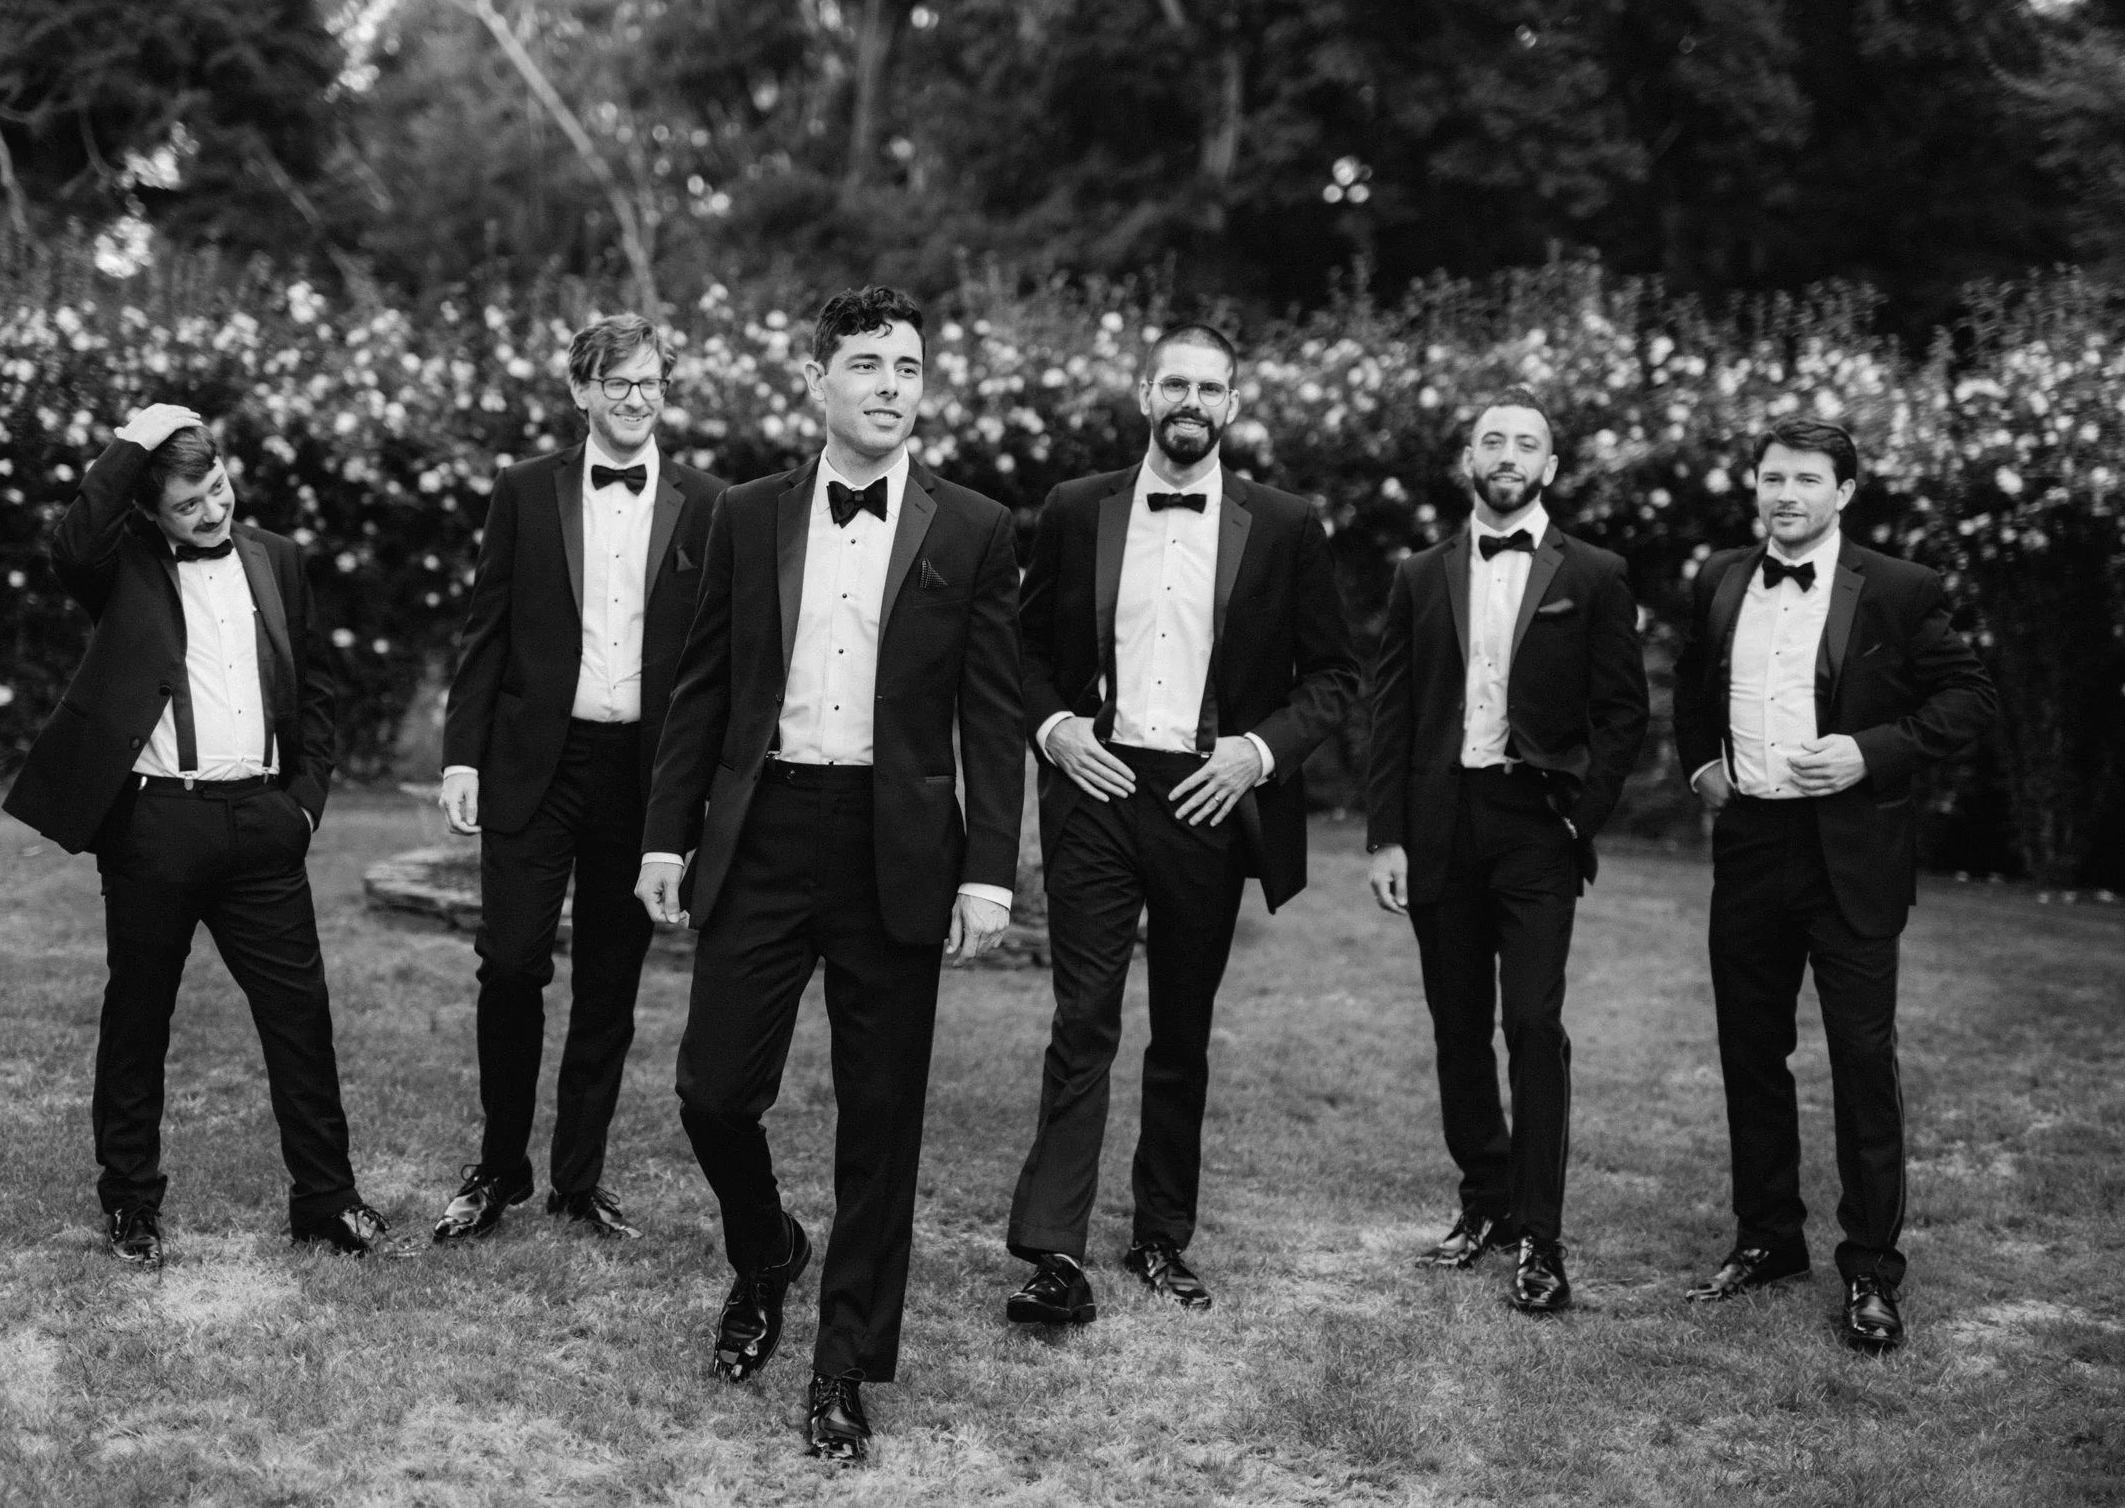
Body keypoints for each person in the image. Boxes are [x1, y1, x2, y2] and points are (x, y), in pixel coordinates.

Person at [633, 286, 1024, 1464]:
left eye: (908, 365)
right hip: (762, 830)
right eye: (866, 362)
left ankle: (842, 1362)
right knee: (709, 1088)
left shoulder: (974, 526)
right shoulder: (746, 514)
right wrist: (665, 834)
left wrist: (990, 871)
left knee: (881, 1119)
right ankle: (765, 1248)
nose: (892, 384)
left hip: (895, 847)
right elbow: (701, 683)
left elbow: (992, 714)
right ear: (817, 379)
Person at [1001, 323, 1361, 1327]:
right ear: (1143, 393)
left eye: (1211, 386)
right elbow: (1021, 652)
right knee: (1083, 1017)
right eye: (1175, 384)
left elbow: (1334, 676)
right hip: (1098, 782)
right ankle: (1055, 1251)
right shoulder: (1077, 508)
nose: (1191, 400)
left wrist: (1255, 753)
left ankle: (1160, 1231)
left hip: (1209, 794)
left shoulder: (1285, 525)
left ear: (1233, 405)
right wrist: (1055, 726)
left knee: (1181, 1029)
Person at [5, 403, 392, 1263]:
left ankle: (326, 1200)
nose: (212, 511)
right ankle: (131, 1203)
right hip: (156, 823)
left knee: (302, 1017)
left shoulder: (278, 558)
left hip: (264, 823)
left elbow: (316, 688)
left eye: (217, 490)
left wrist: (303, 804)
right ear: (152, 511)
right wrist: (136, 439)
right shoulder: (122, 566)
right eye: (189, 505)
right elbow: (70, 542)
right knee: (139, 1016)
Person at [1672, 416, 1995, 1350]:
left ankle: (1871, 1271)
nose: (1786, 495)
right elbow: (1695, 680)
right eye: (1773, 477)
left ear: (1844, 492)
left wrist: (1869, 751)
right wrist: (1701, 766)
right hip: (1750, 846)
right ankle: (1768, 1237)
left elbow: (1970, 696)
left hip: (1850, 852)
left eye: (1807, 479)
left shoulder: (1899, 588)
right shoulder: (1720, 577)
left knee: (1861, 1062)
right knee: (1749, 1049)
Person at [429, 314, 726, 1245]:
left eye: (652, 384)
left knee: (611, 980)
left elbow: (719, 658)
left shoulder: (710, 503)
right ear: (582, 392)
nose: (637, 400)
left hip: (643, 776)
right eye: (619, 383)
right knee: (510, 963)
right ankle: (498, 1168)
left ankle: (577, 1178)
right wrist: (462, 754)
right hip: (533, 762)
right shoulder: (524, 491)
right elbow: (486, 628)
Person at [1362, 399, 1650, 1313]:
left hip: (1538, 825)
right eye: (1493, 441)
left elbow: (1623, 714)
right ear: (1467, 459)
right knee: (1456, 1024)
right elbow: (1393, 710)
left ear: (1551, 467)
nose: (1508, 455)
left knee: (1531, 1021)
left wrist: (1579, 822)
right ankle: (1483, 1200)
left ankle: (1541, 1235)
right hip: (1442, 820)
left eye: (1526, 443)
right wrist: (1386, 834)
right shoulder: (1419, 573)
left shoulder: (1597, 575)